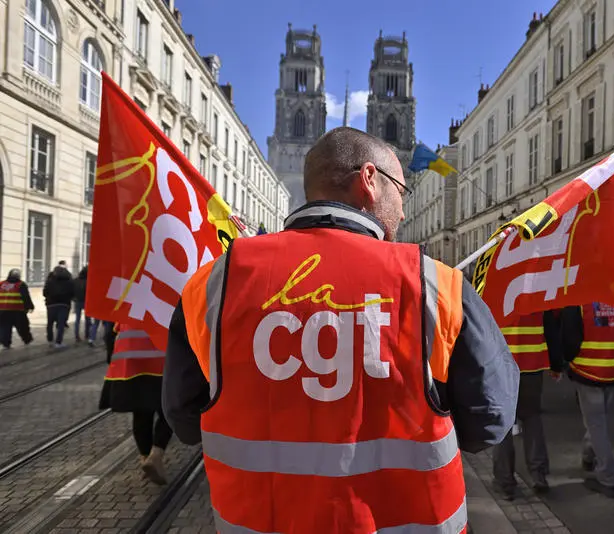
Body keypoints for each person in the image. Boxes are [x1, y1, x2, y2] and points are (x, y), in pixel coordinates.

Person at [163, 127, 520, 533]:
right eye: (401, 191)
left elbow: (184, 417)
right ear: (369, 180)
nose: (403, 211)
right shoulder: (434, 284)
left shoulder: (214, 284)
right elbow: (490, 419)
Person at [561, 298, 614, 498]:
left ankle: (607, 478)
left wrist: (567, 364)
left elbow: (569, 342)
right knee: (598, 421)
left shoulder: (578, 304)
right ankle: (588, 456)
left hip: (588, 371)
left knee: (596, 425)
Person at [492, 311, 563, 497]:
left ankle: (505, 482)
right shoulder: (537, 290)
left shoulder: (491, 289)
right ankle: (538, 476)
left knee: (504, 426)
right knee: (532, 419)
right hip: (531, 368)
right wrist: (556, 365)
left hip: (501, 369)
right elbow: (551, 331)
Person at [100, 323, 172, 485]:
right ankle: (156, 455)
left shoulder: (129, 300)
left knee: (141, 410)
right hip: (161, 361)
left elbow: (110, 332)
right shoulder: (167, 299)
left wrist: (111, 357)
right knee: (169, 409)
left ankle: (145, 457)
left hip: (130, 362)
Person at [0, 269, 34, 349]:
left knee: (4, 327)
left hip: (2, 310)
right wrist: (30, 306)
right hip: (17, 310)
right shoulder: (21, 284)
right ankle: (27, 340)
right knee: (23, 326)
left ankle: (5, 343)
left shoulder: (1, 284)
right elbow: (26, 297)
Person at [43, 264, 74, 349]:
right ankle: (58, 342)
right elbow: (72, 293)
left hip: (51, 304)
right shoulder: (69, 281)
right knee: (61, 324)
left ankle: (50, 340)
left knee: (50, 323)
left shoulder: (50, 281)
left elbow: (45, 293)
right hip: (64, 304)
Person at [72, 266, 91, 343]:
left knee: (77, 319)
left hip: (77, 301)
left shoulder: (75, 280)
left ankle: (77, 335)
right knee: (87, 319)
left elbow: (72, 291)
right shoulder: (88, 281)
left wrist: (74, 298)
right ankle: (87, 334)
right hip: (86, 302)